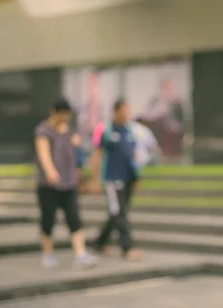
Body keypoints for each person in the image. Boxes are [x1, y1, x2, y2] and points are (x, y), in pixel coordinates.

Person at [34, 98, 98, 269]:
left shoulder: (70, 132)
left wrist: (81, 178)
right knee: (48, 220)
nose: (66, 118)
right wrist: (50, 171)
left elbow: (75, 158)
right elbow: (43, 153)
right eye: (63, 115)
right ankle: (47, 254)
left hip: (69, 184)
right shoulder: (43, 131)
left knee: (74, 219)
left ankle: (80, 254)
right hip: (49, 186)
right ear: (54, 112)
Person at [90, 99, 142, 261]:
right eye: (124, 110)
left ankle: (99, 242)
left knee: (117, 213)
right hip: (112, 179)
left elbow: (132, 156)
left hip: (128, 179)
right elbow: (97, 155)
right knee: (119, 213)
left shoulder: (130, 131)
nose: (127, 114)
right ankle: (127, 247)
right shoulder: (105, 130)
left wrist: (136, 177)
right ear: (116, 111)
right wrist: (95, 179)